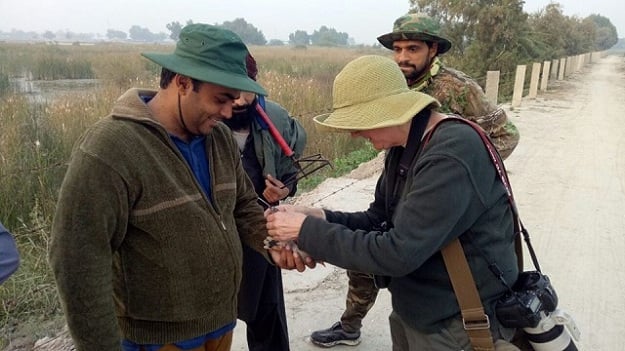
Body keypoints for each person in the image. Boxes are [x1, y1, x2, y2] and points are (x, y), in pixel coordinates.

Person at [49, 23, 301, 351]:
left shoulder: (219, 138)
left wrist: (271, 243)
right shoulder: (110, 148)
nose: (228, 112)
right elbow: (77, 260)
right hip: (156, 341)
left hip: (221, 324)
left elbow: (242, 207)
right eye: (221, 99)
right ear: (183, 83)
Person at [266, 55, 520, 350]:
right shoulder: (407, 145)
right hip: (416, 311)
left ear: (390, 112)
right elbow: (379, 220)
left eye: (359, 123)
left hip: (458, 323)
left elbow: (397, 253)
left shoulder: (451, 154)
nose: (354, 133)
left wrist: (306, 230)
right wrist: (319, 216)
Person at [225, 53, 307, 351]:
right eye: (227, 94)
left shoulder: (277, 119)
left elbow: (290, 174)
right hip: (216, 232)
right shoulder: (204, 120)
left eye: (244, 91)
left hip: (260, 228)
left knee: (266, 313)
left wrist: (283, 191)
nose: (236, 102)